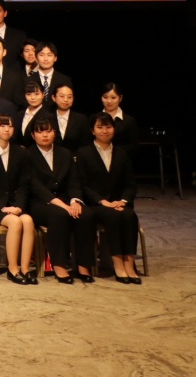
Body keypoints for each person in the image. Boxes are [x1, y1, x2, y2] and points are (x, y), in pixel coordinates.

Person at [77, 113, 140, 284]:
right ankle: (118, 264)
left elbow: (130, 184)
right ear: (92, 130)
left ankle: (129, 264)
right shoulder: (83, 153)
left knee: (129, 215)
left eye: (108, 127)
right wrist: (102, 201)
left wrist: (123, 201)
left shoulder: (122, 153)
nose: (105, 131)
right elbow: (83, 185)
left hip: (117, 202)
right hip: (96, 204)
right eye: (100, 127)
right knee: (113, 216)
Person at [26, 118, 85, 284]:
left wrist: (75, 202)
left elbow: (74, 182)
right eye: (40, 131)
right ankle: (59, 265)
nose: (45, 135)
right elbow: (35, 186)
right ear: (33, 135)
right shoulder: (27, 155)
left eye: (48, 131)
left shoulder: (65, 153)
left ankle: (83, 265)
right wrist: (63, 206)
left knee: (85, 215)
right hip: (39, 203)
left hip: (66, 201)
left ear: (54, 133)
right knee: (59, 215)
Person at [0, 113, 36, 284]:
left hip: (15, 204)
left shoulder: (21, 152)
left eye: (10, 126)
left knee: (28, 221)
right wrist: (2, 207)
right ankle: (12, 269)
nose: (6, 129)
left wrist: (18, 206)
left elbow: (24, 184)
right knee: (15, 222)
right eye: (2, 125)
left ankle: (25, 268)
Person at [99, 82, 139, 153]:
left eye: (113, 98)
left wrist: (111, 150)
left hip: (121, 158)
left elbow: (134, 146)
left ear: (120, 98)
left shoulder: (129, 121)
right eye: (105, 97)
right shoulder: (94, 118)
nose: (109, 101)